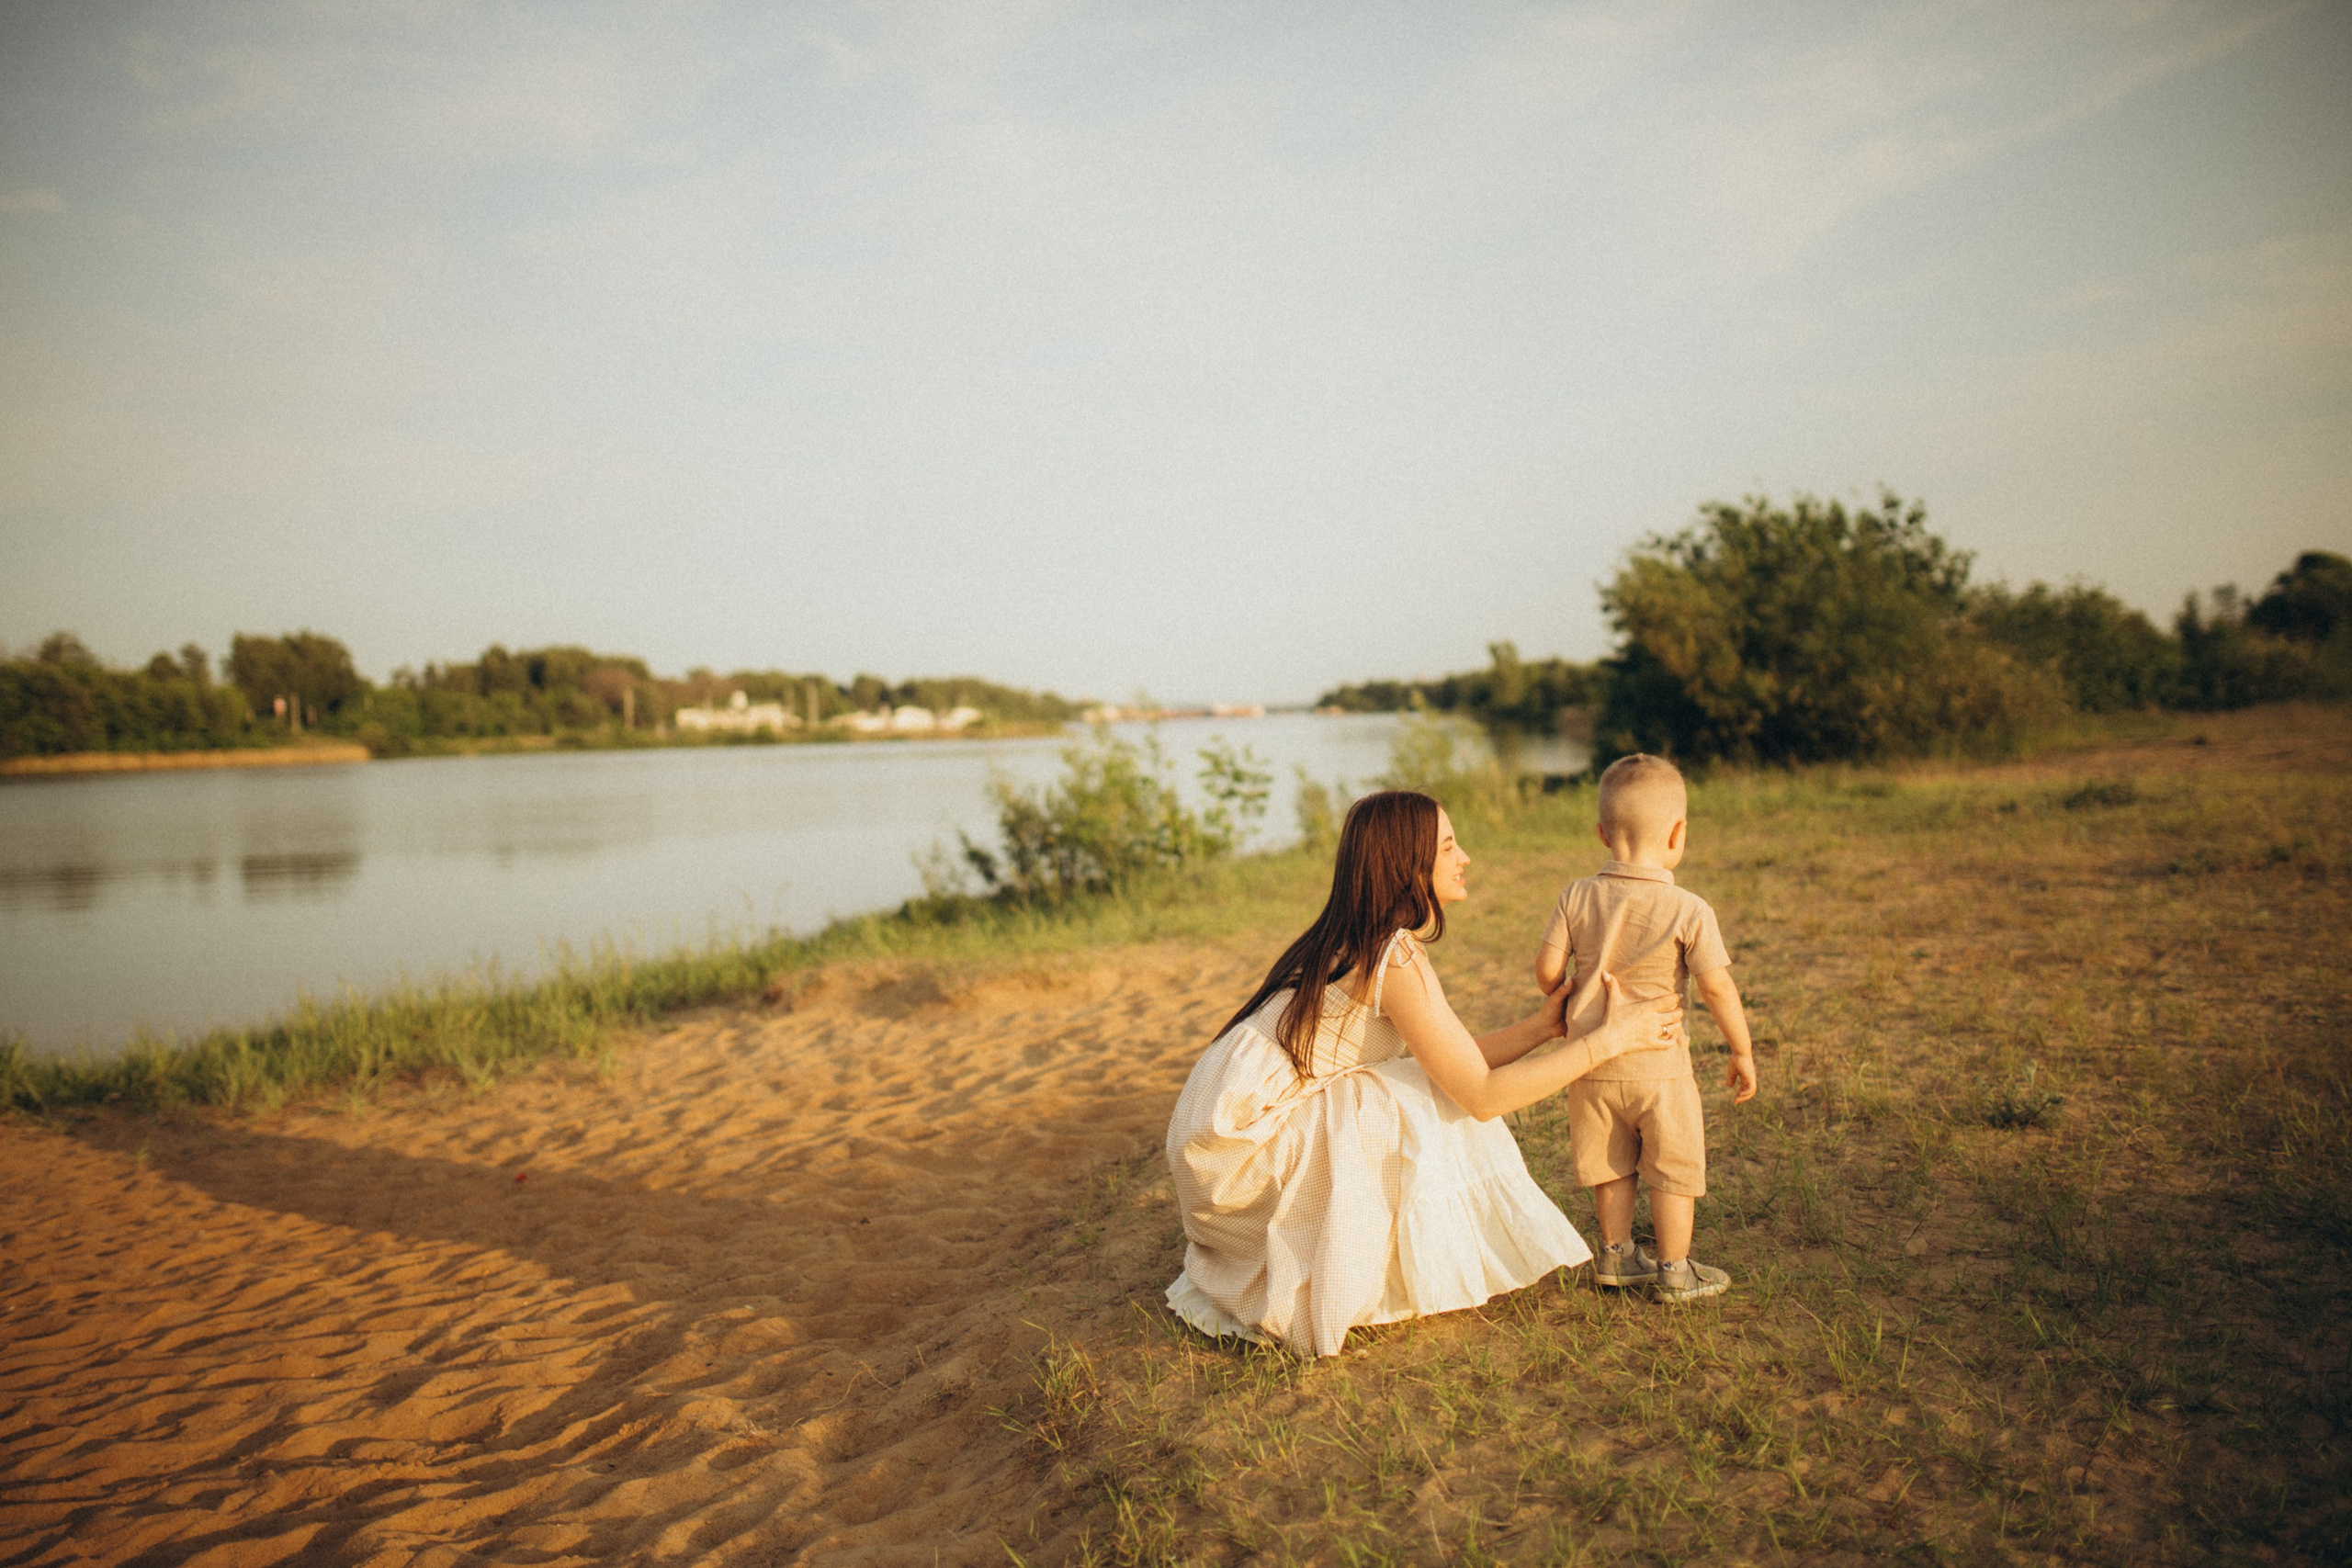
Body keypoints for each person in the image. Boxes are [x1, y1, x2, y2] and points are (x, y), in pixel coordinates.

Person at [1164, 789, 1684, 1359]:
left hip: (1217, 1141)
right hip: (1243, 1153)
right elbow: (1481, 1096)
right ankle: (1365, 1265)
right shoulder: (1394, 956)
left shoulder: (1347, 933)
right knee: (1400, 1100)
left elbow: (1452, 1058)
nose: (1465, 858)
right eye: (1449, 846)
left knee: (1410, 1083)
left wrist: (1542, 1028)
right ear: (1410, 868)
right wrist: (1610, 1042)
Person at [1532, 752, 1758, 1305]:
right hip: (1659, 1066)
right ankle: (1675, 1269)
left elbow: (1545, 970)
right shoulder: (1689, 908)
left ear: (1602, 833)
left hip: (1589, 1063)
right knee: (1673, 1167)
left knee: (1611, 1163)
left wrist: (1560, 994)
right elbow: (1716, 988)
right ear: (1677, 834)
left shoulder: (1576, 894)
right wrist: (1742, 1048)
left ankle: (1615, 1256)